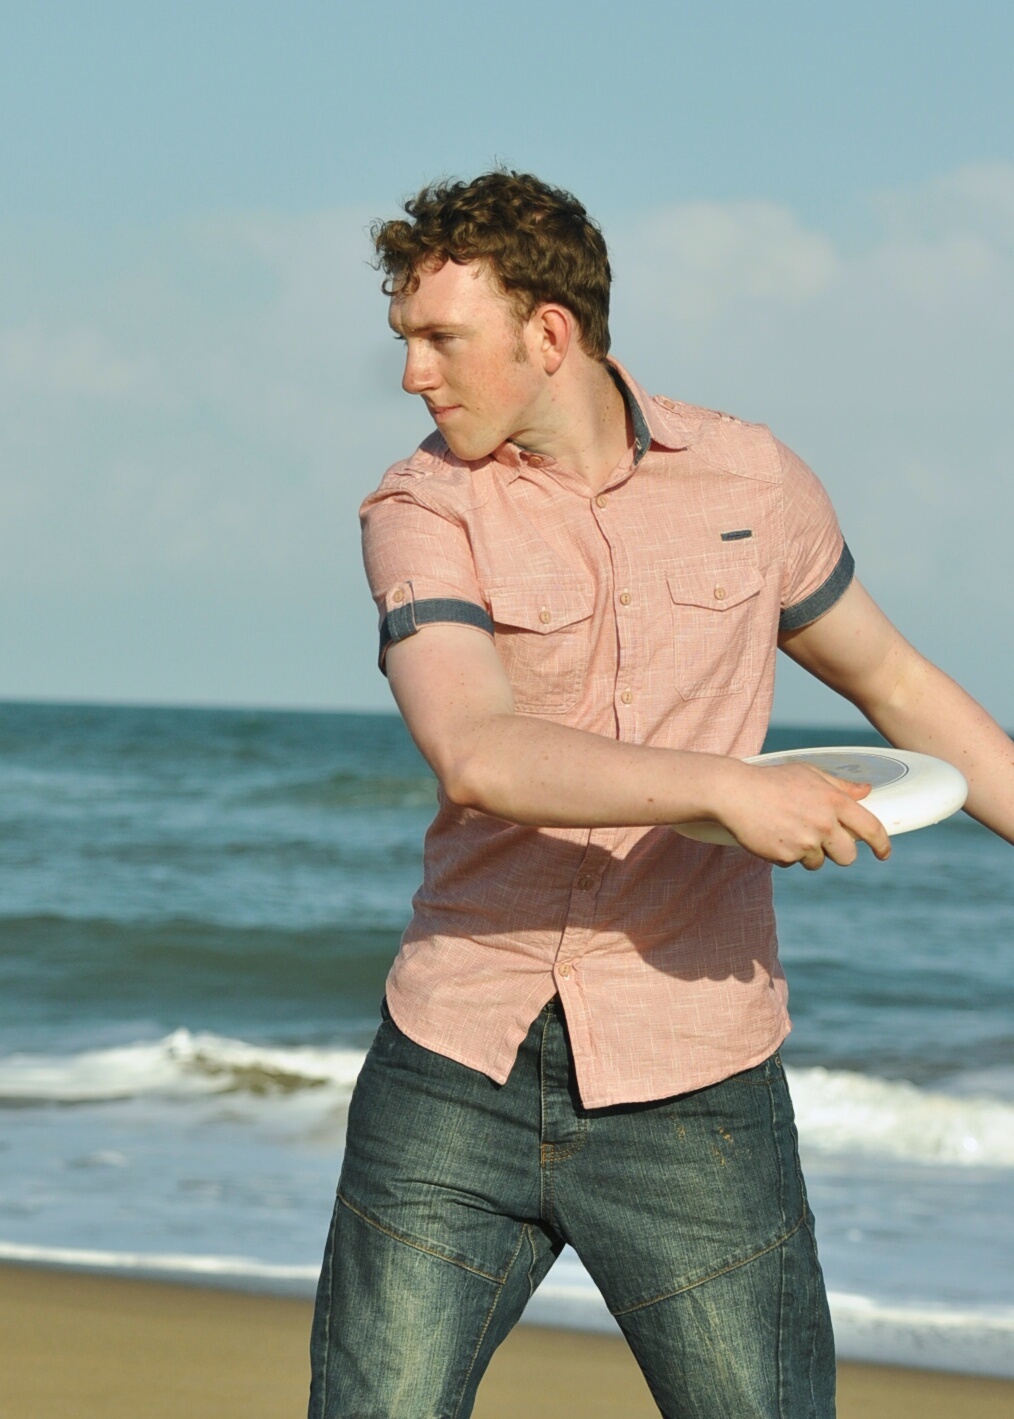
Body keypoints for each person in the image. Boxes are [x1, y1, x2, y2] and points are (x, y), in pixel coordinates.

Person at [309, 171, 1014, 1419]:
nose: (415, 375)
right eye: (405, 342)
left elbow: (898, 683)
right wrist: (729, 790)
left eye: (441, 340)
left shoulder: (753, 483)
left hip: (697, 1077)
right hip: (453, 1064)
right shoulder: (419, 507)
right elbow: (477, 747)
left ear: (550, 332)